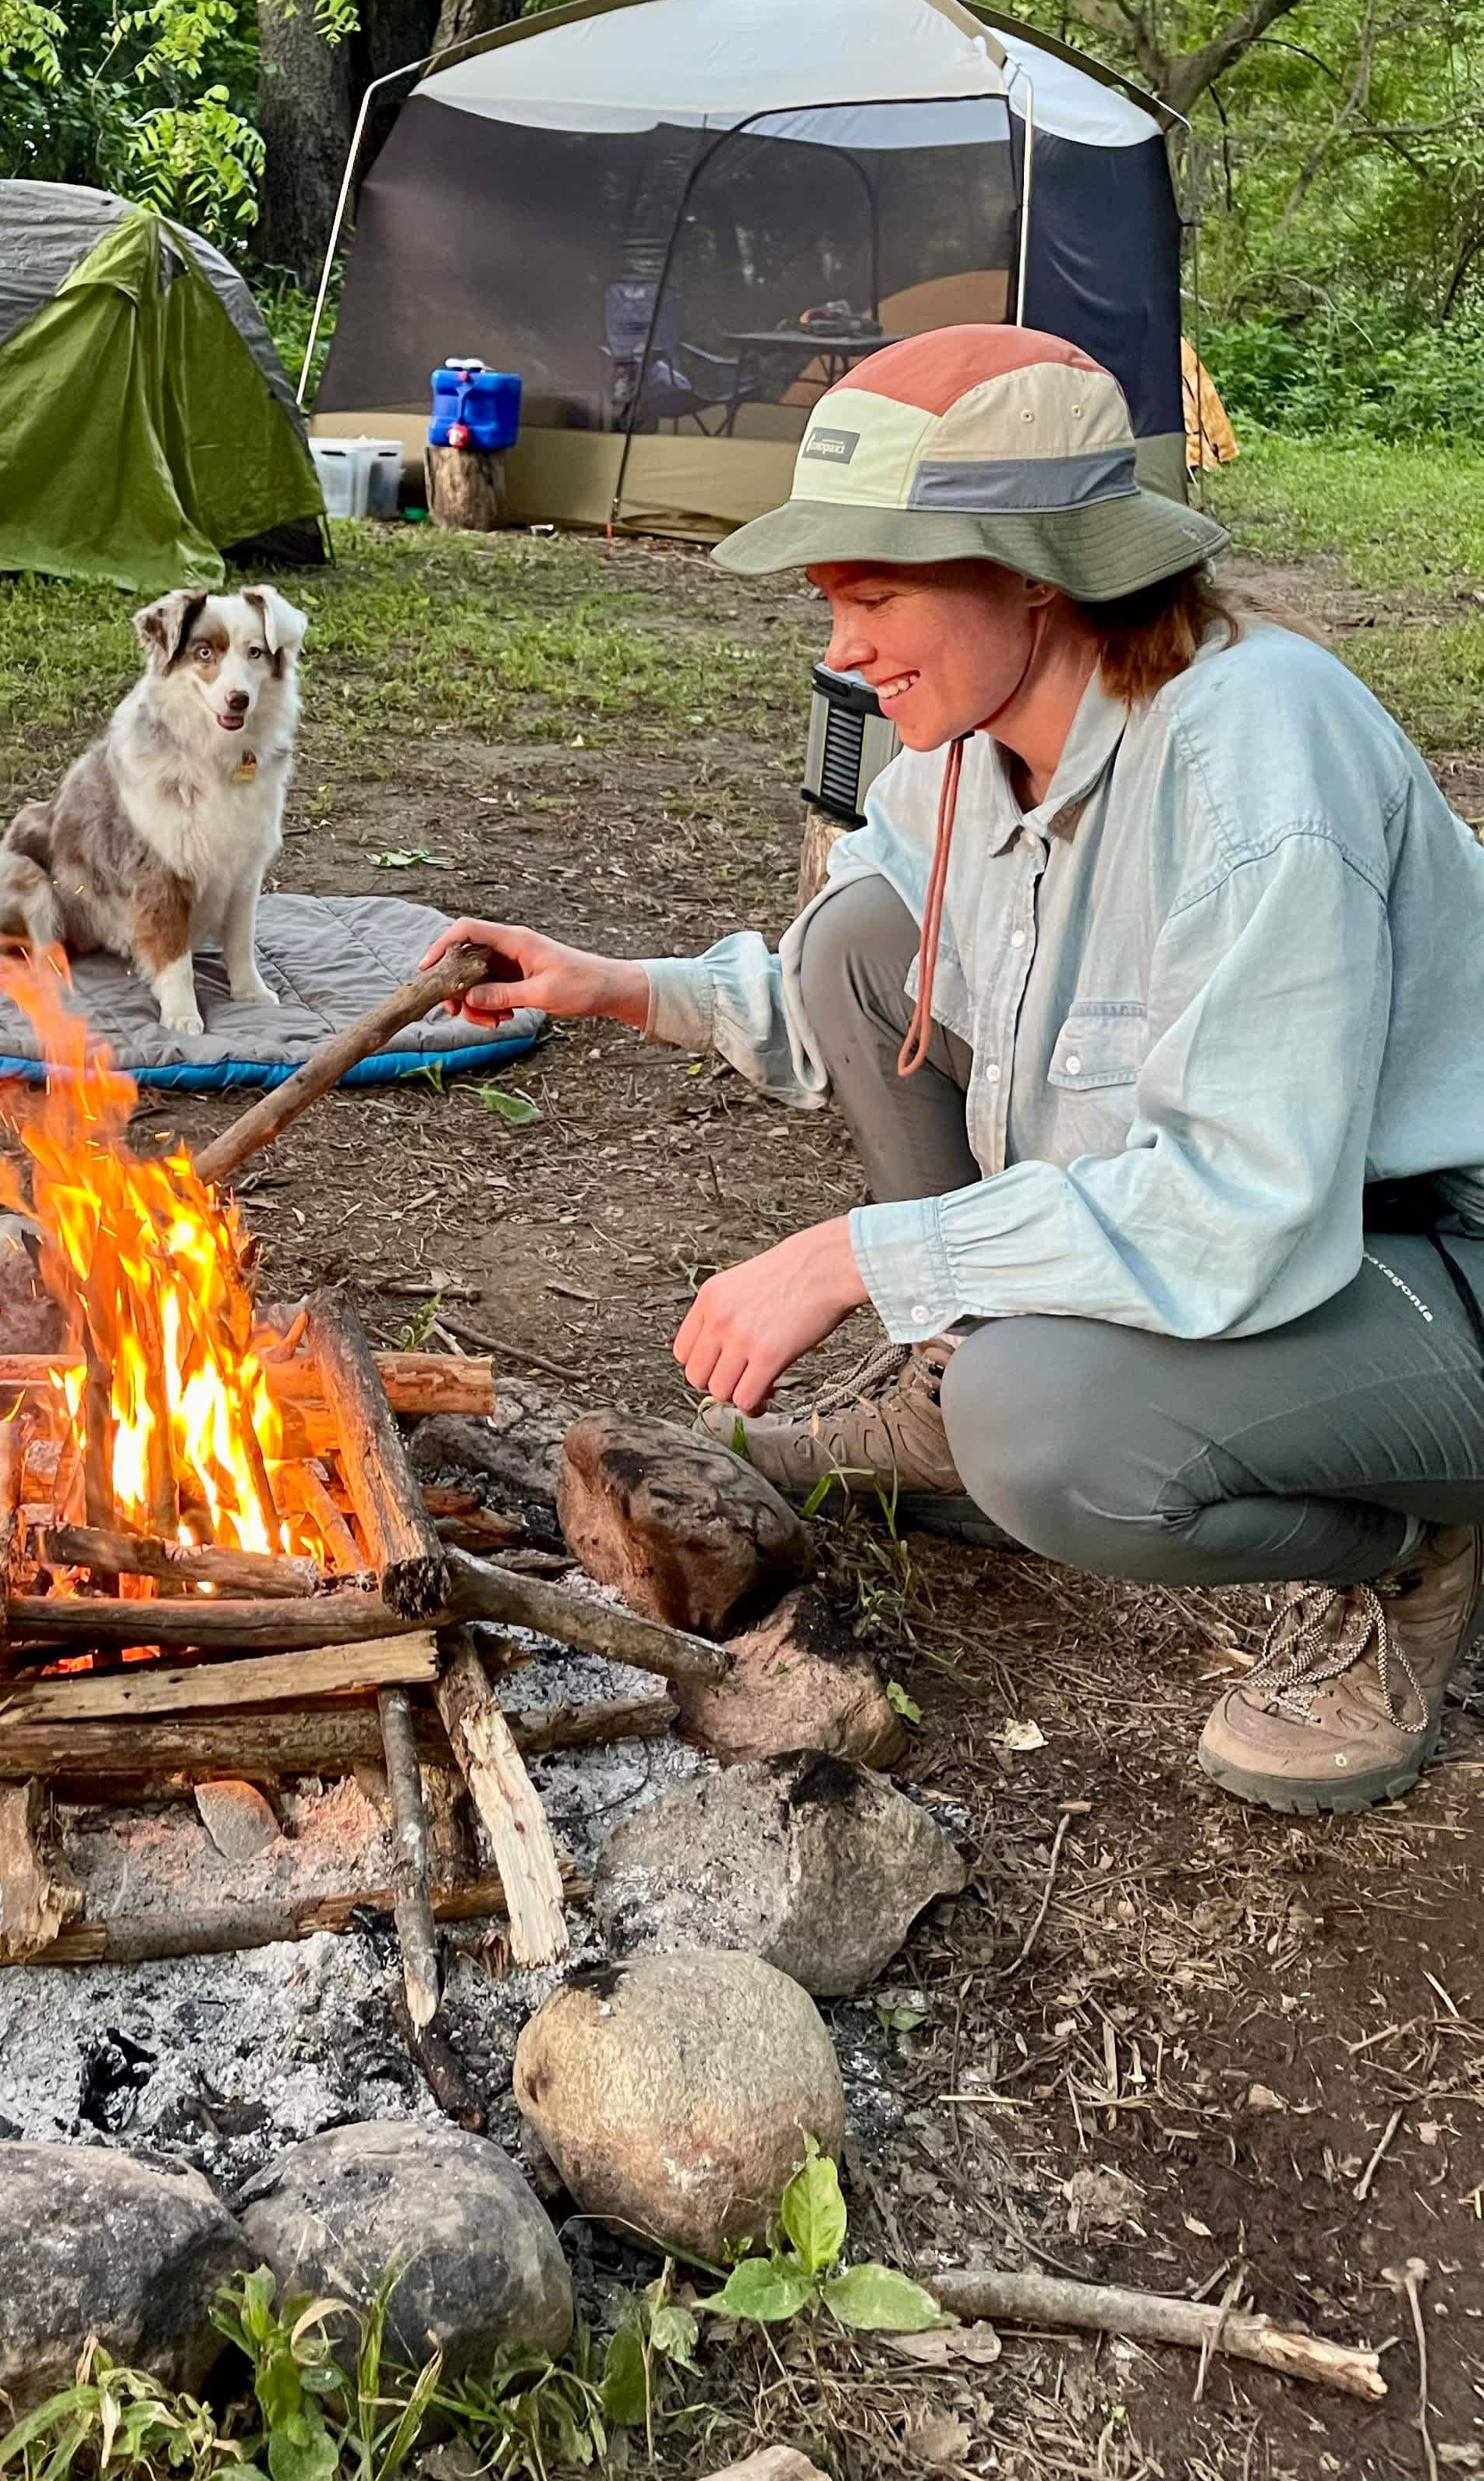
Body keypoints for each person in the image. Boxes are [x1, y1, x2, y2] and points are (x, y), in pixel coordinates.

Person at [431, 324, 1484, 1816]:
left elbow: (1242, 1203)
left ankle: (1419, 1543)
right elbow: (835, 996)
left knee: (1048, 1428)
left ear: (1038, 569)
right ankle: (953, 1386)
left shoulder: (1259, 761)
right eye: (828, 597)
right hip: (1306, 1227)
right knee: (861, 931)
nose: (838, 646)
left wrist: (863, 1252)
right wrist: (612, 990)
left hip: (1437, 1244)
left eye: (874, 592)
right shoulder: (971, 753)